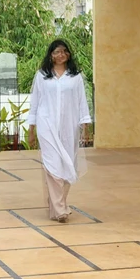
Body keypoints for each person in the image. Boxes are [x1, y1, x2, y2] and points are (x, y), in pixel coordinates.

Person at [26, 39, 92, 223]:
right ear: (50, 55)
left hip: (69, 127)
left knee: (68, 164)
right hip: (46, 124)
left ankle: (56, 204)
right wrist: (31, 129)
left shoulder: (75, 76)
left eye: (64, 51)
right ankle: (61, 209)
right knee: (52, 165)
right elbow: (35, 103)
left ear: (68, 54)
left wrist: (86, 125)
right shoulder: (42, 76)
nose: (60, 55)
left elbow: (82, 102)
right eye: (56, 52)